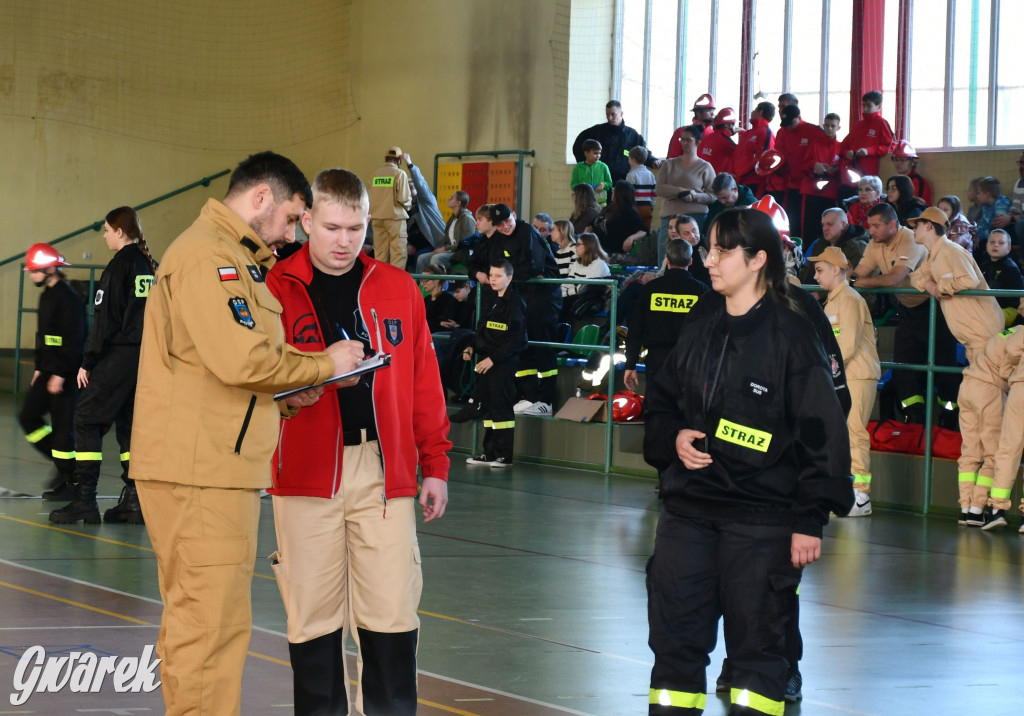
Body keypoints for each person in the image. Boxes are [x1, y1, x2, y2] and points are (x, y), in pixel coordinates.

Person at [130, 151, 358, 716]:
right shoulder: (211, 256)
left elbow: (215, 371)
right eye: (291, 218)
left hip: (206, 464)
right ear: (261, 198)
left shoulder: (226, 255)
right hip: (201, 471)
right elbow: (242, 360)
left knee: (199, 623)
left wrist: (285, 395)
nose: (290, 235)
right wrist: (324, 365)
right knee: (211, 630)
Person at [643, 208, 853, 716]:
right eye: (708, 249)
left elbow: (823, 429)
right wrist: (673, 437)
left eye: (722, 251)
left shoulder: (793, 331)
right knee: (674, 644)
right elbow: (663, 400)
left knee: (758, 656)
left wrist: (809, 519)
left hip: (761, 520)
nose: (709, 261)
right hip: (688, 513)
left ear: (758, 260)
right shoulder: (700, 320)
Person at [264, 168, 451, 715]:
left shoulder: (399, 288)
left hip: (383, 472)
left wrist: (436, 465)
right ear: (306, 221)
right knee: (312, 621)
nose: (344, 241)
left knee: (392, 615)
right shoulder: (273, 289)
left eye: (355, 228)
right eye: (332, 228)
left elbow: (424, 384)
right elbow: (253, 380)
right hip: (304, 474)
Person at [50, 207, 158, 525]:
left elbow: (105, 321)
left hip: (118, 355)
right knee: (128, 426)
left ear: (120, 232)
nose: (104, 236)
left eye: (107, 230)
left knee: (85, 420)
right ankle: (135, 501)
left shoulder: (119, 267)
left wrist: (88, 361)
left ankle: (85, 500)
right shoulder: (148, 265)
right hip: (144, 358)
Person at [908, 207, 1004, 525]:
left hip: (986, 345)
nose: (914, 230)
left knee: (987, 433)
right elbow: (916, 277)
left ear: (930, 227)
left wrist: (941, 288)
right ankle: (972, 508)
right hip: (976, 349)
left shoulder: (950, 251)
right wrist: (932, 285)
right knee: (977, 432)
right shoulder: (935, 256)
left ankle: (980, 506)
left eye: (917, 225)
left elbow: (968, 280)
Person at [852, 202, 960, 425]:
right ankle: (914, 419)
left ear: (892, 224)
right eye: (869, 226)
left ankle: (950, 420)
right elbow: (856, 274)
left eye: (876, 226)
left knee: (944, 367)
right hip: (907, 310)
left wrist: (856, 281)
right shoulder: (874, 244)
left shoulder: (911, 239)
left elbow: (893, 279)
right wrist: (854, 279)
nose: (870, 231)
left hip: (936, 309)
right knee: (903, 367)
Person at [809, 246, 880, 517]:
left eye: (820, 270)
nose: (815, 277)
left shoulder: (849, 299)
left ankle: (861, 495)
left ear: (836, 270)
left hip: (857, 375)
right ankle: (847, 492)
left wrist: (823, 371)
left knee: (854, 432)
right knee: (844, 434)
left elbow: (846, 346)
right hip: (843, 377)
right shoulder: (834, 301)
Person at [473, 204, 562, 416]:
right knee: (524, 348)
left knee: (542, 348)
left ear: (514, 215)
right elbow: (495, 265)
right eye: (499, 224)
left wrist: (510, 274)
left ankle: (546, 401)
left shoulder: (527, 232)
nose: (505, 226)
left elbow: (534, 267)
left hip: (543, 299)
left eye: (507, 221)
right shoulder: (499, 238)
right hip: (523, 297)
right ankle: (529, 396)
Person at [18, 243, 86, 503]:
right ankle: (64, 466)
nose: (32, 275)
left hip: (65, 374)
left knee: (62, 431)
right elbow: (45, 337)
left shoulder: (69, 299)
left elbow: (75, 339)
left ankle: (70, 480)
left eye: (35, 271)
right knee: (28, 417)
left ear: (49, 269)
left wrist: (59, 373)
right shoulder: (46, 296)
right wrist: (39, 366)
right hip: (48, 370)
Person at [455, 260, 527, 469]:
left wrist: (493, 359)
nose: (493, 279)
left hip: (502, 363)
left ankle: (504, 456)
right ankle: (489, 453)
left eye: (498, 276)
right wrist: (472, 347)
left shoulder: (515, 304)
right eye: (492, 275)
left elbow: (517, 340)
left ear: (509, 278)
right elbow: (482, 332)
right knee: (488, 409)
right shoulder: (493, 300)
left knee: (501, 408)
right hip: (485, 361)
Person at [623, 238, 708, 392]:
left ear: (667, 260)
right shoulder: (701, 291)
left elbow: (635, 329)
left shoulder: (650, 289)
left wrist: (630, 364)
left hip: (657, 362)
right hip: (689, 362)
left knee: (656, 405)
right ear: (690, 261)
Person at [655, 125, 715, 264]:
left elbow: (713, 195)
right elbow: (659, 189)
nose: (684, 143)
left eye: (688, 140)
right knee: (665, 254)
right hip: (670, 216)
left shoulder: (705, 166)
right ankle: (663, 276)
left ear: (698, 142)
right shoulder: (669, 164)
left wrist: (695, 196)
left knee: (694, 257)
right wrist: (680, 191)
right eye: (682, 139)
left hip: (695, 216)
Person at [774, 104, 823, 238]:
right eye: (786, 124)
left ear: (799, 117)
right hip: (790, 184)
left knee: (807, 222)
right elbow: (779, 156)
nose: (789, 127)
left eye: (791, 123)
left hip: (808, 185)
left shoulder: (813, 131)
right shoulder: (782, 132)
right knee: (792, 219)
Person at [572, 100, 647, 182]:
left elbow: (643, 152)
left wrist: (653, 161)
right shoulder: (597, 131)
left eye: (613, 114)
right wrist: (585, 164)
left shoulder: (631, 134)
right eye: (607, 115)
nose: (610, 118)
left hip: (622, 180)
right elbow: (578, 146)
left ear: (621, 113)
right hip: (600, 179)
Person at [839, 91, 895, 200]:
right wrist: (847, 153)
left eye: (869, 105)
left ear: (879, 106)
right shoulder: (857, 125)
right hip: (851, 174)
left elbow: (890, 147)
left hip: (869, 177)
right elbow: (842, 147)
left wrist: (869, 151)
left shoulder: (881, 123)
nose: (865, 108)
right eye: (863, 105)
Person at [799, 113, 842, 239]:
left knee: (828, 227)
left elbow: (843, 168)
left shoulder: (840, 147)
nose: (829, 128)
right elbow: (804, 164)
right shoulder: (814, 144)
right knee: (809, 227)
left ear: (838, 127)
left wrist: (836, 169)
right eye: (827, 125)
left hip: (830, 191)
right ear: (823, 126)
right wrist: (814, 165)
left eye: (832, 126)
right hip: (812, 189)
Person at [368, 146, 412, 268]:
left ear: (385, 158)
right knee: (398, 254)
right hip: (395, 219)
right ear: (399, 160)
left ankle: (380, 278)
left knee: (380, 254)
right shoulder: (400, 174)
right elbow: (404, 199)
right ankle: (395, 279)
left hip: (377, 219)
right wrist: (409, 206)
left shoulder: (374, 175)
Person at [799, 208, 868, 285]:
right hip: (812, 289)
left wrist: (819, 292)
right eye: (823, 225)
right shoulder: (820, 243)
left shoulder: (856, 248)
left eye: (830, 224)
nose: (825, 228)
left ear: (843, 225)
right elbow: (808, 271)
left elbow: (854, 281)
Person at [420, 190, 475, 273]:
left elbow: (466, 243)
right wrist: (441, 248)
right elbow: (447, 240)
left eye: (452, 198)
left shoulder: (467, 219)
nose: (449, 199)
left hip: (460, 252)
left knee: (437, 258)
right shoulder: (452, 219)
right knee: (422, 258)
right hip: (450, 251)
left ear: (459, 203)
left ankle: (437, 281)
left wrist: (445, 248)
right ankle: (420, 281)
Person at [562, 231, 611, 321]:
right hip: (576, 296)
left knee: (563, 303)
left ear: (588, 246)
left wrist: (564, 295)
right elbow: (569, 281)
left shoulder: (599, 264)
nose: (575, 247)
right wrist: (560, 294)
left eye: (578, 244)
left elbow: (586, 288)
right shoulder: (578, 262)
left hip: (590, 299)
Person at [980, 228, 1024, 327]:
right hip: (988, 308)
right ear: (987, 245)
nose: (996, 245)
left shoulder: (1011, 268)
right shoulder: (982, 267)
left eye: (1001, 243)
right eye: (992, 242)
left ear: (1008, 249)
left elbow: (1013, 300)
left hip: (1010, 311)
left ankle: (1004, 334)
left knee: (983, 317)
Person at [732, 101, 776, 195]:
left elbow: (763, 160)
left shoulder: (765, 133)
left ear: (761, 112)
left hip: (754, 182)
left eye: (755, 109)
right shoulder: (749, 133)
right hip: (740, 180)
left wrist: (741, 176)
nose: (752, 112)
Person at [597, 180, 647, 258]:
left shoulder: (629, 212)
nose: (612, 192)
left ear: (619, 194)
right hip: (597, 246)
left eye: (614, 190)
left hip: (611, 251)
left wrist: (631, 238)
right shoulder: (609, 208)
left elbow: (644, 231)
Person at [667, 93, 716, 158]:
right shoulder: (681, 132)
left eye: (713, 111)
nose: (713, 114)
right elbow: (671, 159)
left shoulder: (713, 135)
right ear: (698, 113)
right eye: (708, 111)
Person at [571, 138, 614, 206]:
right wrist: (583, 188)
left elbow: (609, 183)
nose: (598, 156)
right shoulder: (578, 168)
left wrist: (602, 184)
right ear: (586, 153)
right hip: (584, 203)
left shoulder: (603, 166)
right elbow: (573, 185)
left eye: (599, 153)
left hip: (601, 203)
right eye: (595, 153)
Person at [697, 107, 739, 175]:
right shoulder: (725, 141)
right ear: (727, 125)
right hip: (716, 179)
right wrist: (743, 134)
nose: (735, 127)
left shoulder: (709, 137)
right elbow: (742, 153)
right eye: (733, 124)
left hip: (703, 176)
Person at [890, 141, 932, 205]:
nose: (898, 163)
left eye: (902, 160)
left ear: (913, 162)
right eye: (896, 160)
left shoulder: (919, 182)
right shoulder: (894, 181)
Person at [674, 215, 711, 286]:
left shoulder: (710, 247)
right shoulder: (676, 250)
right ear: (679, 235)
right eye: (686, 233)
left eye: (694, 231)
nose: (692, 236)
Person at [627, 146, 657, 230]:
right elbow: (654, 192)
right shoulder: (650, 174)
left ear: (632, 159)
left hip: (635, 207)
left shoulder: (631, 175)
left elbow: (629, 194)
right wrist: (652, 206)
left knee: (633, 230)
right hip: (647, 207)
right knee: (645, 230)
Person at [421, 265, 458, 332]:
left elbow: (445, 325)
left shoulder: (448, 299)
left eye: (426, 280)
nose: (423, 284)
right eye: (422, 280)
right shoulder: (426, 299)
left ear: (436, 280)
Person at [551, 219, 577, 288]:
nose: (550, 233)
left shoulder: (574, 251)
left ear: (562, 231)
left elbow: (573, 277)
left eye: (553, 230)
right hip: (559, 289)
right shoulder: (557, 253)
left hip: (569, 290)